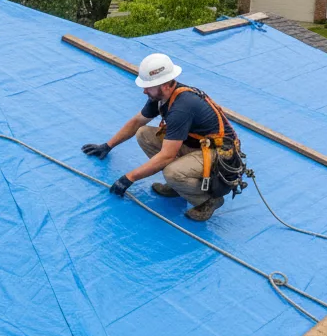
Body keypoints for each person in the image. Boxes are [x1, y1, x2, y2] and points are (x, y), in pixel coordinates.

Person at [81, 52, 241, 222]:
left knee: (172, 172)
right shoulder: (161, 97)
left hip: (220, 154)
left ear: (164, 85)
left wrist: (129, 178)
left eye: (148, 86)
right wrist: (108, 145)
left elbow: (167, 156)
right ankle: (180, 186)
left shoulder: (182, 107)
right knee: (144, 134)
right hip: (199, 145)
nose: (144, 91)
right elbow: (137, 122)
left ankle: (208, 199)